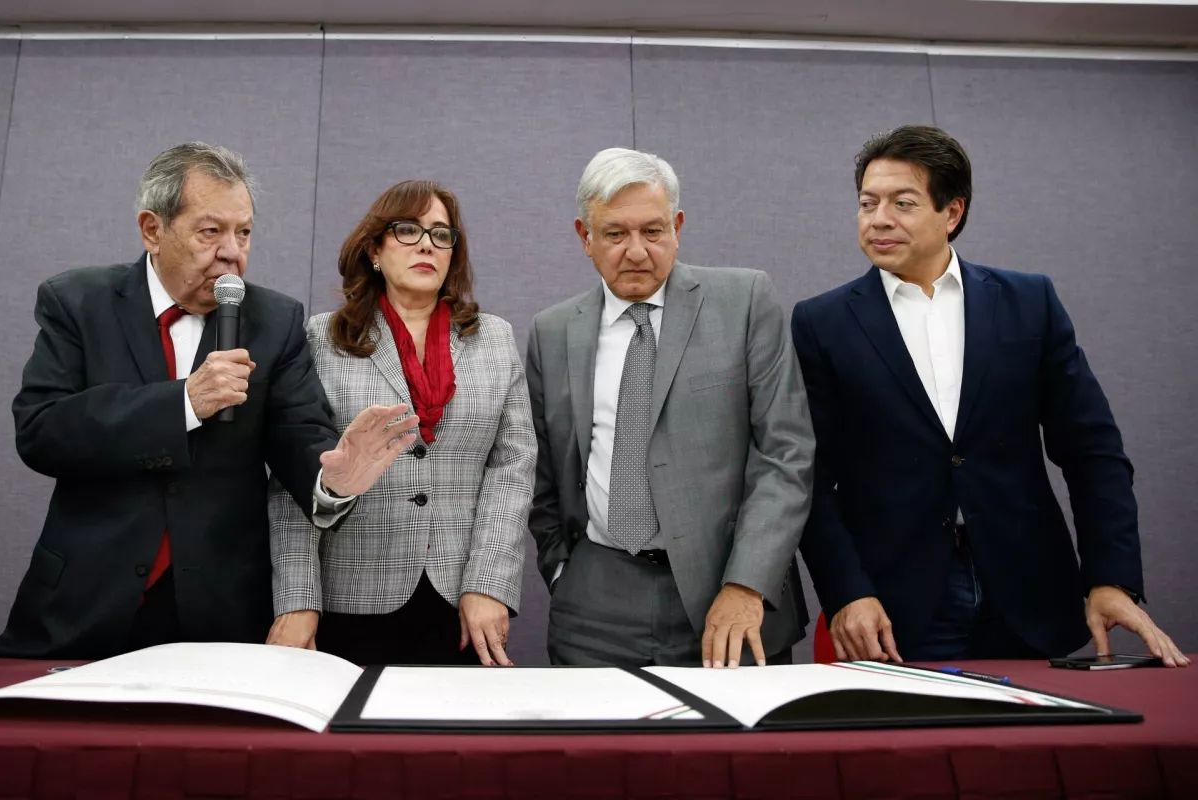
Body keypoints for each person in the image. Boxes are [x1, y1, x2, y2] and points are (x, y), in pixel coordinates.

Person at [0, 142, 418, 660]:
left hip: (221, 611)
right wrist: (183, 404)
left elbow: (300, 435)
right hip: (82, 604)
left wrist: (332, 480)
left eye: (244, 232)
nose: (232, 251)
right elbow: (42, 431)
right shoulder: (78, 302)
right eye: (211, 231)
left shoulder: (275, 320)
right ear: (153, 229)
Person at [790, 125, 1188, 666]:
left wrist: (1112, 578)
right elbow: (809, 479)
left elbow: (1093, 453)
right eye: (867, 202)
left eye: (902, 203)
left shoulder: (1029, 302)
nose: (878, 218)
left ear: (951, 213)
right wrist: (847, 592)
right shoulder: (822, 323)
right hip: (897, 604)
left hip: (1030, 590)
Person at [526, 147, 815, 669]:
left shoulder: (745, 300)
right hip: (595, 601)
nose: (636, 251)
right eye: (615, 234)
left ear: (677, 226)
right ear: (583, 236)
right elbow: (542, 473)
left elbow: (786, 454)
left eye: (653, 231)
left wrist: (747, 584)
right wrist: (563, 572)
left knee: (734, 753)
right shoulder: (552, 331)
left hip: (729, 598)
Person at [268, 180, 535, 667]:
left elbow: (512, 470)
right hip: (348, 597)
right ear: (374, 248)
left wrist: (488, 583)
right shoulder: (323, 339)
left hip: (462, 602)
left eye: (441, 234)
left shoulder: (494, 340)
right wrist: (298, 597)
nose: (427, 244)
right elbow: (292, 480)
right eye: (408, 230)